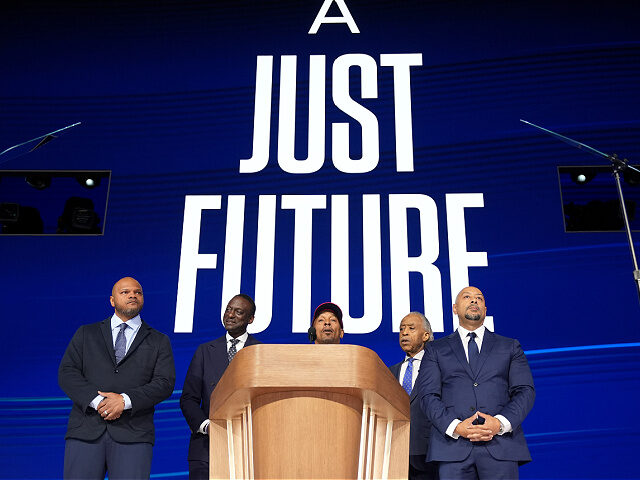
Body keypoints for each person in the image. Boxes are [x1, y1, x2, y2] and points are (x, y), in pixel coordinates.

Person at [58, 277, 176, 480]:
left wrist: (124, 401)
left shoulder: (159, 340)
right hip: (85, 431)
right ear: (112, 300)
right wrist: (99, 403)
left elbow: (164, 383)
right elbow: (67, 373)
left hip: (134, 435)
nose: (132, 295)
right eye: (125, 292)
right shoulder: (87, 333)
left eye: (137, 292)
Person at [417, 286, 535, 480]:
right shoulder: (435, 350)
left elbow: (525, 391)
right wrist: (455, 426)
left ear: (485, 310)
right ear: (455, 308)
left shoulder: (509, 346)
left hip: (501, 446)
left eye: (479, 298)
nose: (474, 301)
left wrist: (499, 423)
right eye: (467, 297)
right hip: (452, 450)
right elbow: (428, 395)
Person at [180, 294, 262, 479]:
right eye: (228, 309)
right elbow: (188, 399)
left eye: (238, 312)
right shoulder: (204, 351)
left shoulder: (260, 352)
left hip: (248, 447)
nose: (230, 315)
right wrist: (207, 426)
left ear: (250, 319)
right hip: (206, 448)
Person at [388, 312, 438, 480]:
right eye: (401, 328)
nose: (404, 332)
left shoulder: (439, 368)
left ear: (426, 335)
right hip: (394, 454)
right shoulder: (389, 372)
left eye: (411, 328)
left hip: (430, 455)